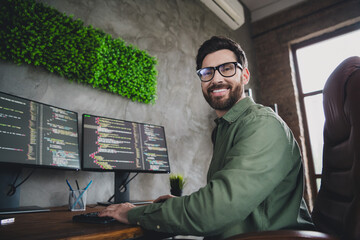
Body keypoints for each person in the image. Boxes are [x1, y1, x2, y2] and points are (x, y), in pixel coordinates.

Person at [99, 36, 314, 239]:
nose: (216, 79)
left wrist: (133, 213)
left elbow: (215, 211)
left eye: (227, 69)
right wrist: (181, 205)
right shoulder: (224, 128)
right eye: (207, 72)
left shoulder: (261, 124)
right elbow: (228, 201)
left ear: (245, 75)